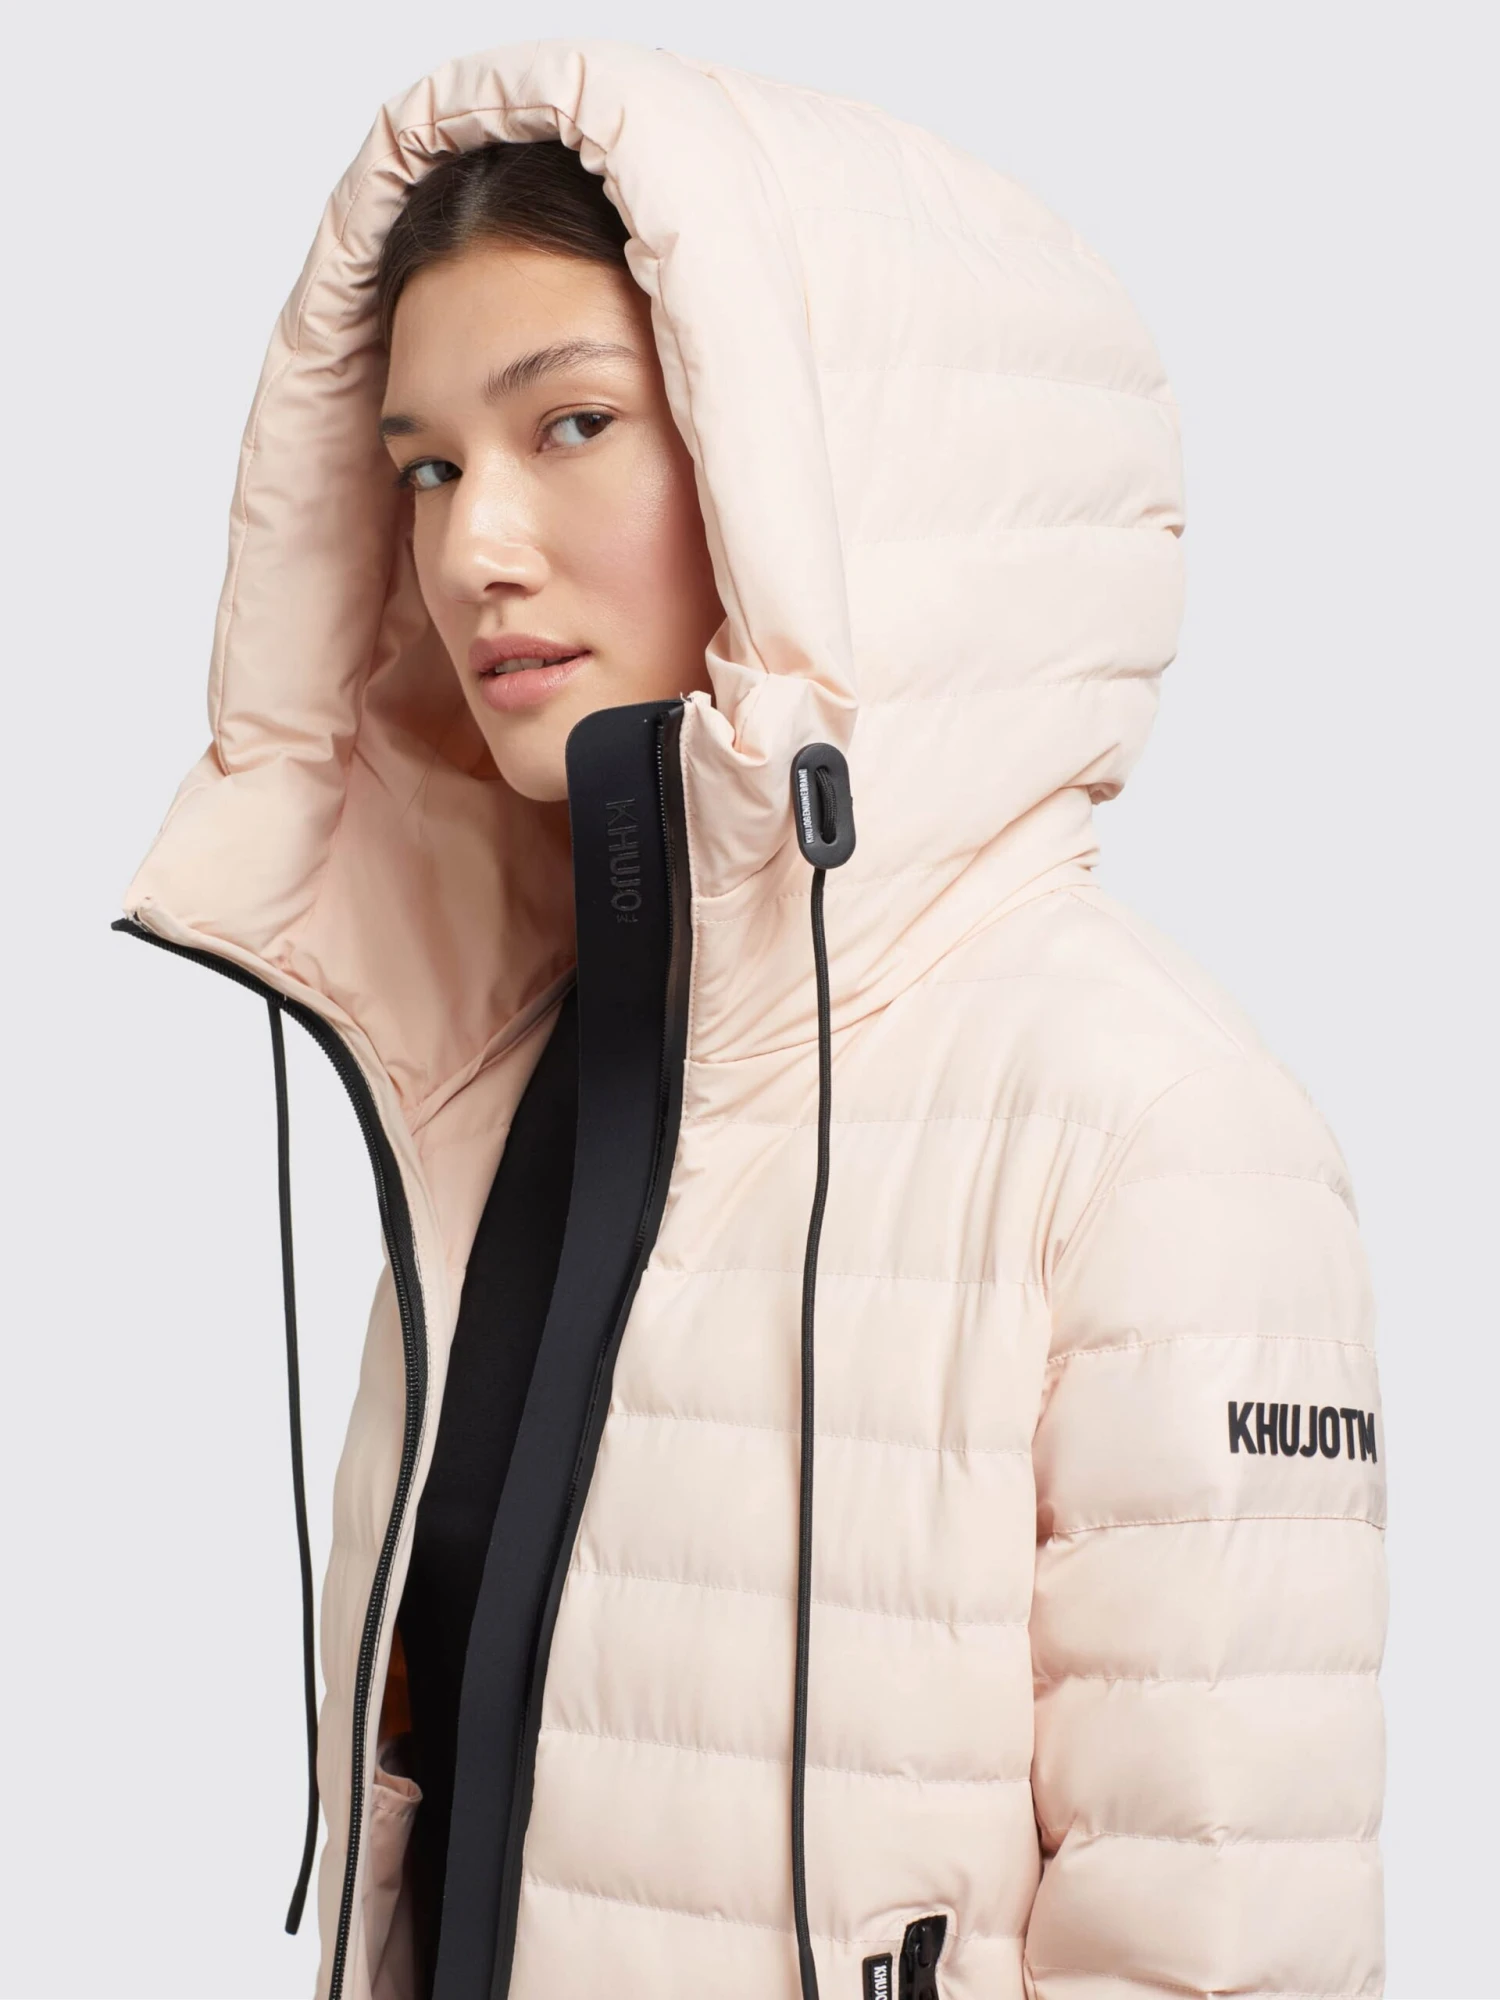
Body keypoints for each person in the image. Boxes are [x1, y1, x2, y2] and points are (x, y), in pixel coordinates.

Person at [114, 38, 1388, 2000]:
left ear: (830, 474)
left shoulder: (1152, 1132)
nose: (472, 549)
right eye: (428, 466)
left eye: (572, 425)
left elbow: (1227, 1951)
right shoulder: (494, 1085)